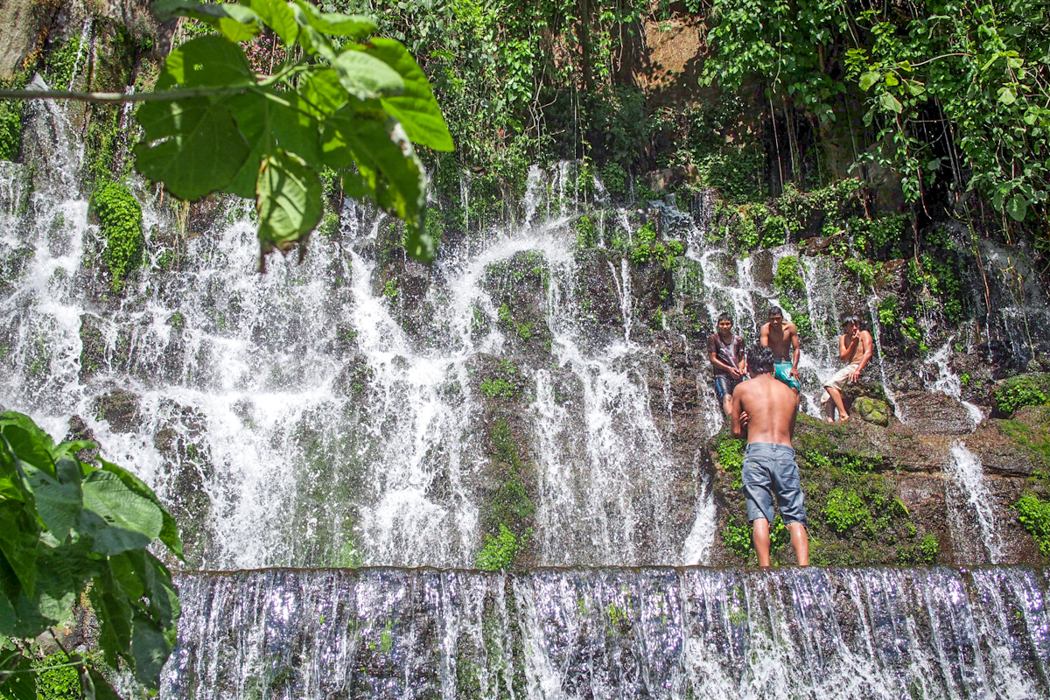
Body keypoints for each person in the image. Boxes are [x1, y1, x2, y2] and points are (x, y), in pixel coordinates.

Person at [730, 344, 809, 567]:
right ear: (772, 367)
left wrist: (748, 425)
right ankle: (805, 568)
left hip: (757, 452)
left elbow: (736, 432)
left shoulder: (743, 389)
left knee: (760, 515)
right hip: (784, 453)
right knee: (795, 516)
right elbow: (789, 432)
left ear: (750, 367)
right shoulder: (790, 393)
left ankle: (765, 571)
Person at [821, 315, 873, 423]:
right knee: (827, 397)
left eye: (856, 325)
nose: (855, 328)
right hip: (849, 366)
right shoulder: (844, 338)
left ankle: (843, 415)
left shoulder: (864, 334)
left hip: (857, 366)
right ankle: (830, 422)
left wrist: (858, 370)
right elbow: (844, 359)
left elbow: (868, 353)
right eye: (851, 325)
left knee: (829, 384)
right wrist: (853, 343)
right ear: (845, 327)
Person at [707, 313, 746, 415]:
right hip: (722, 374)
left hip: (736, 373)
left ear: (732, 324)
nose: (724, 327)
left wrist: (741, 368)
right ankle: (730, 423)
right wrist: (729, 369)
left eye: (727, 324)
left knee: (740, 400)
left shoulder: (739, 340)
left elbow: (741, 358)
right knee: (727, 397)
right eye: (722, 324)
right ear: (718, 325)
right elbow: (713, 359)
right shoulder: (713, 338)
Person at [759, 306, 801, 393]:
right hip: (771, 362)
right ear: (769, 319)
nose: (775, 322)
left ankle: (793, 407)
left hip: (786, 363)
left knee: (795, 385)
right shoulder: (765, 329)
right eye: (772, 319)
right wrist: (769, 365)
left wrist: (794, 367)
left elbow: (796, 348)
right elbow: (764, 349)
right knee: (767, 388)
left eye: (778, 319)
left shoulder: (790, 328)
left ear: (782, 318)